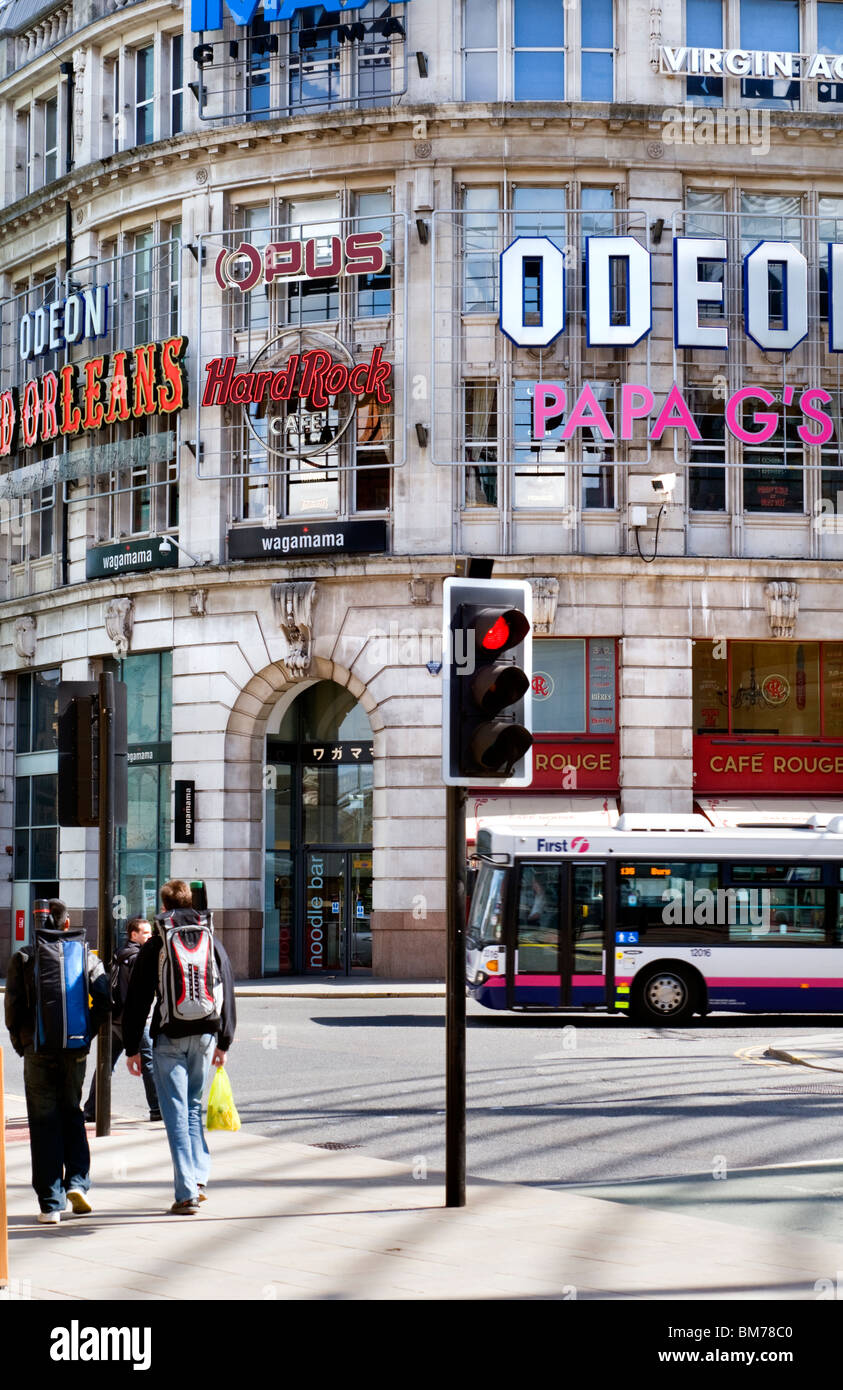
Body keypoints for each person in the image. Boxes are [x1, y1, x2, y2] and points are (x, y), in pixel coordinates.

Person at [121, 879, 236, 1216]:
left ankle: (186, 1192)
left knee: (174, 1114)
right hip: (205, 1036)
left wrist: (131, 1047)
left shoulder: (157, 942)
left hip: (168, 1035)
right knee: (193, 1108)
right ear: (191, 901)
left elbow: (138, 999)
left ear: (165, 905)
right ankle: (199, 1180)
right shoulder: (210, 937)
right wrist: (225, 1039)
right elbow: (227, 986)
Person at [4, 898, 110, 1225]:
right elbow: (105, 999)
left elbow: (13, 1010)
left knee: (43, 1121)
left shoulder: (23, 957)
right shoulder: (86, 956)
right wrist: (85, 1034)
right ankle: (78, 1182)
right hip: (74, 1049)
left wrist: (23, 1045)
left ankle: (51, 1203)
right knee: (72, 1112)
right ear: (67, 924)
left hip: (38, 1049)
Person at [82, 916, 161, 1124]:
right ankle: (156, 1108)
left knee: (105, 1064)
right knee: (149, 1062)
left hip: (115, 1018)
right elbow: (136, 993)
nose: (149, 935)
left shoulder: (118, 953)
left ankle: (91, 1110)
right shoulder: (137, 957)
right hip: (133, 1020)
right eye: (145, 932)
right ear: (134, 934)